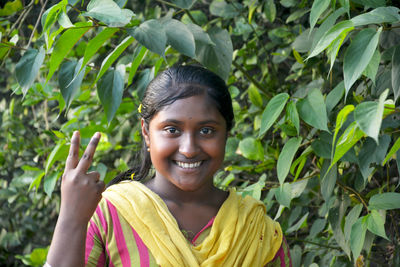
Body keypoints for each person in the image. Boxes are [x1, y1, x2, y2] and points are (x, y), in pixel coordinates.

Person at [46, 65, 291, 267]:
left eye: (206, 130)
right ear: (146, 132)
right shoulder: (110, 214)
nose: (189, 148)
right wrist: (71, 217)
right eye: (172, 130)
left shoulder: (257, 231)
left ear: (226, 134)